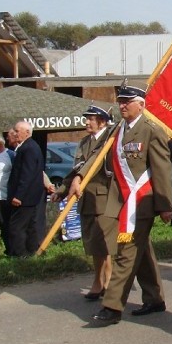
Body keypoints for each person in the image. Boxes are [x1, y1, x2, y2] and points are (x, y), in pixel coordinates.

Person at [91, 81, 172, 327]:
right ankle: (154, 298)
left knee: (126, 253)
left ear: (141, 104)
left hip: (142, 203)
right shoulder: (118, 130)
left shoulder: (151, 130)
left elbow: (162, 170)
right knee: (141, 251)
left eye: (127, 101)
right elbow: (96, 158)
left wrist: (165, 205)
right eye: (120, 101)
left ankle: (112, 306)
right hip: (122, 202)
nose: (122, 105)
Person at [53, 105, 115, 301]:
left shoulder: (110, 140)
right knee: (92, 244)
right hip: (86, 198)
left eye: (91, 118)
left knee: (104, 244)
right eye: (86, 118)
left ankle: (108, 282)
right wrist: (62, 191)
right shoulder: (84, 142)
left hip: (104, 199)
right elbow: (77, 170)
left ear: (103, 122)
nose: (87, 122)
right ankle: (99, 281)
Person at [7, 121, 46, 257]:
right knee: (30, 226)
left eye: (17, 131)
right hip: (30, 196)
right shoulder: (30, 147)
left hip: (26, 197)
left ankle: (20, 255)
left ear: (27, 132)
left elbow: (27, 174)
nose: (15, 134)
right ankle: (32, 251)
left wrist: (19, 195)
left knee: (17, 227)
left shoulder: (28, 148)